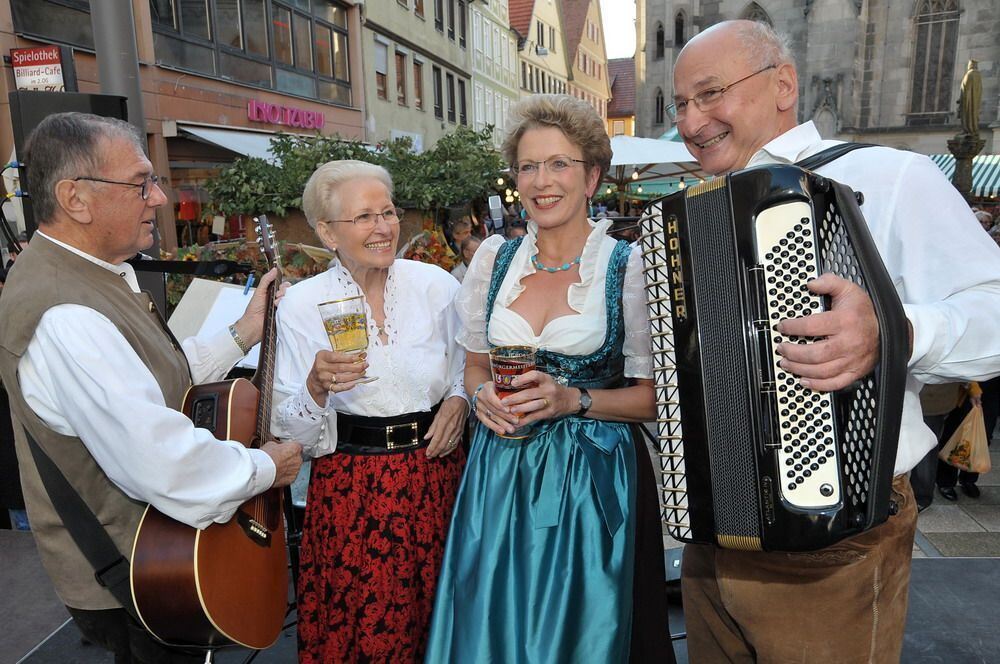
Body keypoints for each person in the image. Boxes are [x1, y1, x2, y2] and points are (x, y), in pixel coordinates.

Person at [671, 20, 1000, 662]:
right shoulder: (692, 211)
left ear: (784, 85)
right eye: (680, 103)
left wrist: (895, 330)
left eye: (710, 94)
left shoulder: (893, 175)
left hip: (840, 540)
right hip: (714, 533)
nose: (690, 121)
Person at [0, 112, 303, 663]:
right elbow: (164, 464)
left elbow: (145, 375)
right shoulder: (67, 313)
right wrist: (267, 468)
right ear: (76, 199)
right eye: (141, 183)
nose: (159, 198)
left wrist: (245, 332)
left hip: (161, 560)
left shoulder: (89, 274)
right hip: (136, 577)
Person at [425, 94, 672, 663]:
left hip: (591, 481)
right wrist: (480, 391)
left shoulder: (628, 267)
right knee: (494, 628)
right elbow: (475, 363)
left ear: (592, 177)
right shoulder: (493, 258)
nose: (542, 181)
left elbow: (656, 399)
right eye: (528, 166)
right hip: (497, 476)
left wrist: (572, 399)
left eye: (559, 163)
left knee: (581, 635)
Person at [271, 160, 468, 663]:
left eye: (388, 212)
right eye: (363, 218)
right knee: (369, 634)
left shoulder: (437, 287)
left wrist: (459, 400)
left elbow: (470, 365)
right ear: (326, 231)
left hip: (438, 477)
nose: (382, 228)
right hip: (353, 492)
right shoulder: (301, 306)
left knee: (447, 627)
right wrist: (315, 387)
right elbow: (287, 431)